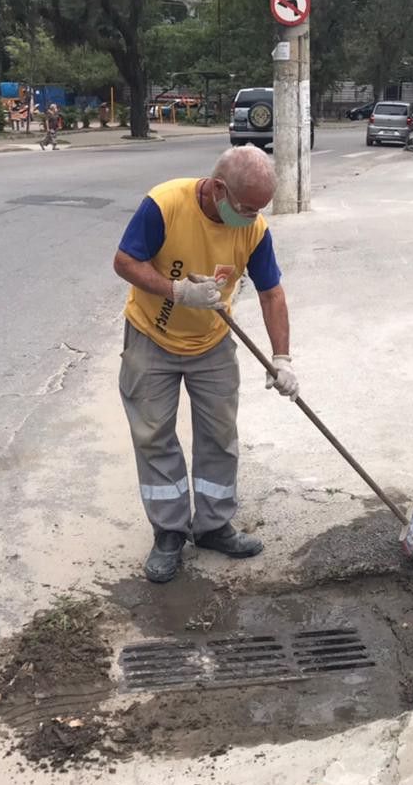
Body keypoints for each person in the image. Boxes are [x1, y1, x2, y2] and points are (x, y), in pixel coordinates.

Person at [113, 146, 298, 582]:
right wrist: (175, 291)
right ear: (218, 189)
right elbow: (124, 262)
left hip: (212, 342)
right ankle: (169, 533)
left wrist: (282, 357)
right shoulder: (165, 204)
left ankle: (213, 526)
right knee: (154, 435)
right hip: (151, 336)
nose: (252, 217)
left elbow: (272, 292)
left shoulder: (253, 229)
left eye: (259, 209)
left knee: (219, 435)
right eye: (246, 207)